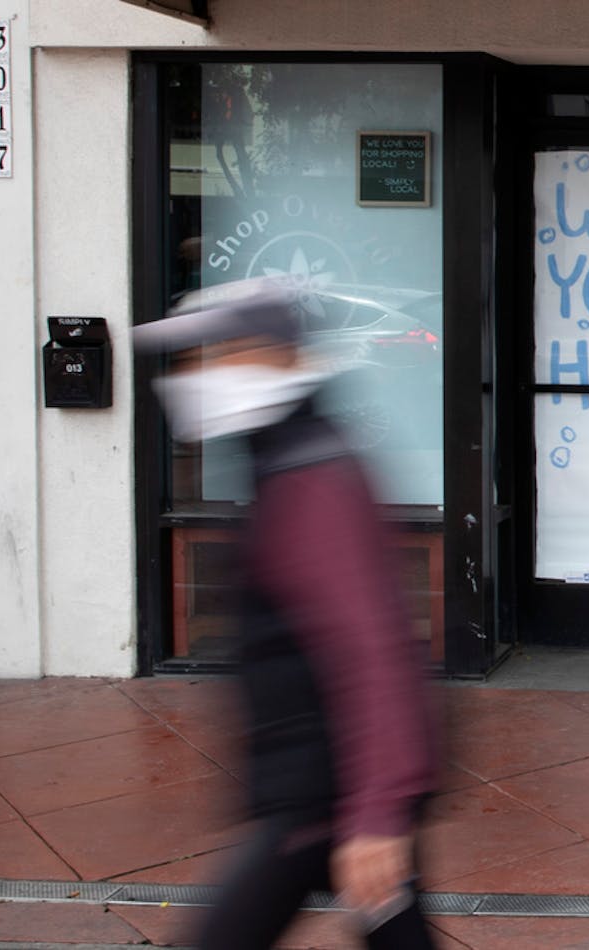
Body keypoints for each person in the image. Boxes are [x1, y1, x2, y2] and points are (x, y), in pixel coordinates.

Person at [133, 279, 437, 949]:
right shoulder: (283, 456)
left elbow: (372, 650)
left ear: (267, 355)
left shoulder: (309, 475)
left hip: (326, 794)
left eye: (210, 355)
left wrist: (378, 812)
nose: (193, 376)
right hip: (322, 790)